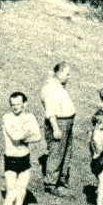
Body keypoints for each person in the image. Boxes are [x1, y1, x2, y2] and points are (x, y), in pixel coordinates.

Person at [2, 92, 43, 205]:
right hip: (11, 159)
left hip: (25, 159)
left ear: (25, 104)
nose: (14, 107)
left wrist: (23, 134)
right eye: (12, 105)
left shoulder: (30, 117)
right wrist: (27, 132)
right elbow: (14, 137)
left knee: (21, 194)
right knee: (10, 194)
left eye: (18, 104)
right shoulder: (7, 117)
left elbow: (38, 136)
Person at [41, 63, 75, 195]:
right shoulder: (50, 89)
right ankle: (51, 184)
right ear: (59, 74)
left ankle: (61, 180)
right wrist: (55, 128)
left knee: (66, 152)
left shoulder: (58, 87)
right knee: (56, 153)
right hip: (59, 123)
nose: (69, 77)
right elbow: (50, 111)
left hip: (66, 122)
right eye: (67, 74)